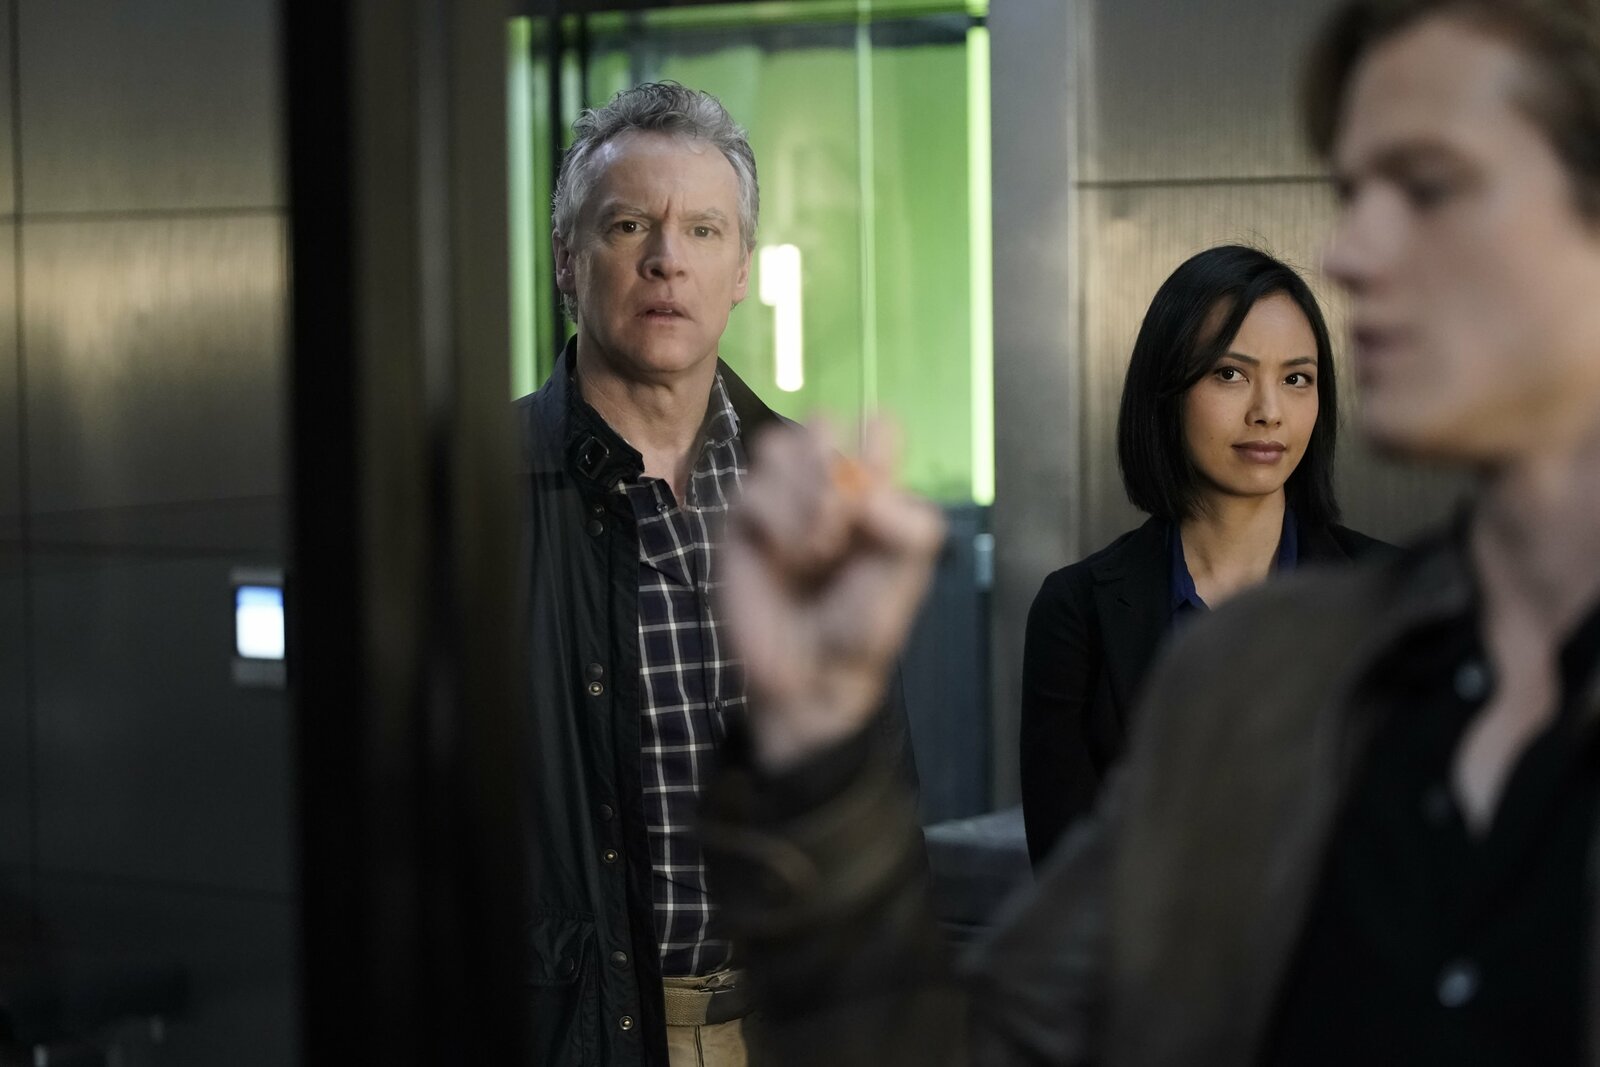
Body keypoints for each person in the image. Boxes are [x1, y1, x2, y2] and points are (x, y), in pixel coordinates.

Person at [702, 0, 1600, 1063]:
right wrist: (820, 759)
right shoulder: (1261, 670)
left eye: (1429, 184)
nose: (1349, 250)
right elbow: (996, 1044)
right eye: (1354, 193)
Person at [518, 82, 917, 1067]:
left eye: (703, 229)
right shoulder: (490, 492)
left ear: (740, 269)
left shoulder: (811, 494)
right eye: (628, 225)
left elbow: (876, 792)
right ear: (567, 259)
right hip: (583, 1033)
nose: (667, 258)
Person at [1020, 245, 1389, 865]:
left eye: (1296, 379)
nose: (1268, 412)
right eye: (1230, 374)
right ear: (1166, 389)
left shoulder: (1390, 593)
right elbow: (1066, 870)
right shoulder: (1076, 611)